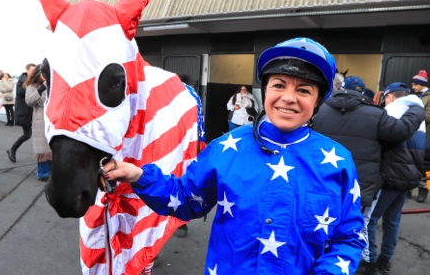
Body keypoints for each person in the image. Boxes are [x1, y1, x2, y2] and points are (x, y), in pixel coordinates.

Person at [101, 37, 366, 275]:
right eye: (279, 85)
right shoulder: (227, 147)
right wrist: (138, 175)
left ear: (318, 101)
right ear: (266, 90)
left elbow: (349, 238)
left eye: (304, 90)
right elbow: (183, 198)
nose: (288, 98)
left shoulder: (338, 162)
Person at [312, 75, 425, 265]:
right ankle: (347, 264)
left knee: (317, 225)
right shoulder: (377, 115)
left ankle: (314, 260)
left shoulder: (317, 111)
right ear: (362, 93)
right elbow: (402, 131)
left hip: (320, 182)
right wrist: (417, 108)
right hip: (358, 187)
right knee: (351, 229)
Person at [361, 82, 425, 275]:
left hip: (390, 178)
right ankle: (385, 261)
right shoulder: (418, 115)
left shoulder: (393, 110)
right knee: (392, 221)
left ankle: (369, 261)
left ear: (389, 97)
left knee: (370, 221)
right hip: (409, 179)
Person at [24, 65, 51, 182]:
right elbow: (29, 101)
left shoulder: (52, 85)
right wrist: (41, 89)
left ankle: (52, 173)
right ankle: (43, 173)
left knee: (52, 146)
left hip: (51, 119)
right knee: (42, 147)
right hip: (40, 119)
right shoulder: (31, 86)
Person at [7, 63, 36, 163]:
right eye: (32, 70)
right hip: (24, 112)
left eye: (35, 70)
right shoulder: (22, 80)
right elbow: (20, 93)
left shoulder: (30, 80)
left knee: (29, 134)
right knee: (27, 134)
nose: (34, 72)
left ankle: (12, 150)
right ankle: (12, 149)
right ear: (27, 70)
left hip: (30, 112)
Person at [411, 69, 430, 203]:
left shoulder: (428, 97)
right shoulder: (413, 96)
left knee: (424, 164)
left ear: (422, 84)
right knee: (409, 160)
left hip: (425, 134)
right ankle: (408, 189)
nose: (413, 86)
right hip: (412, 132)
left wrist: (412, 115)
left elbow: (428, 115)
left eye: (415, 84)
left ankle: (424, 189)